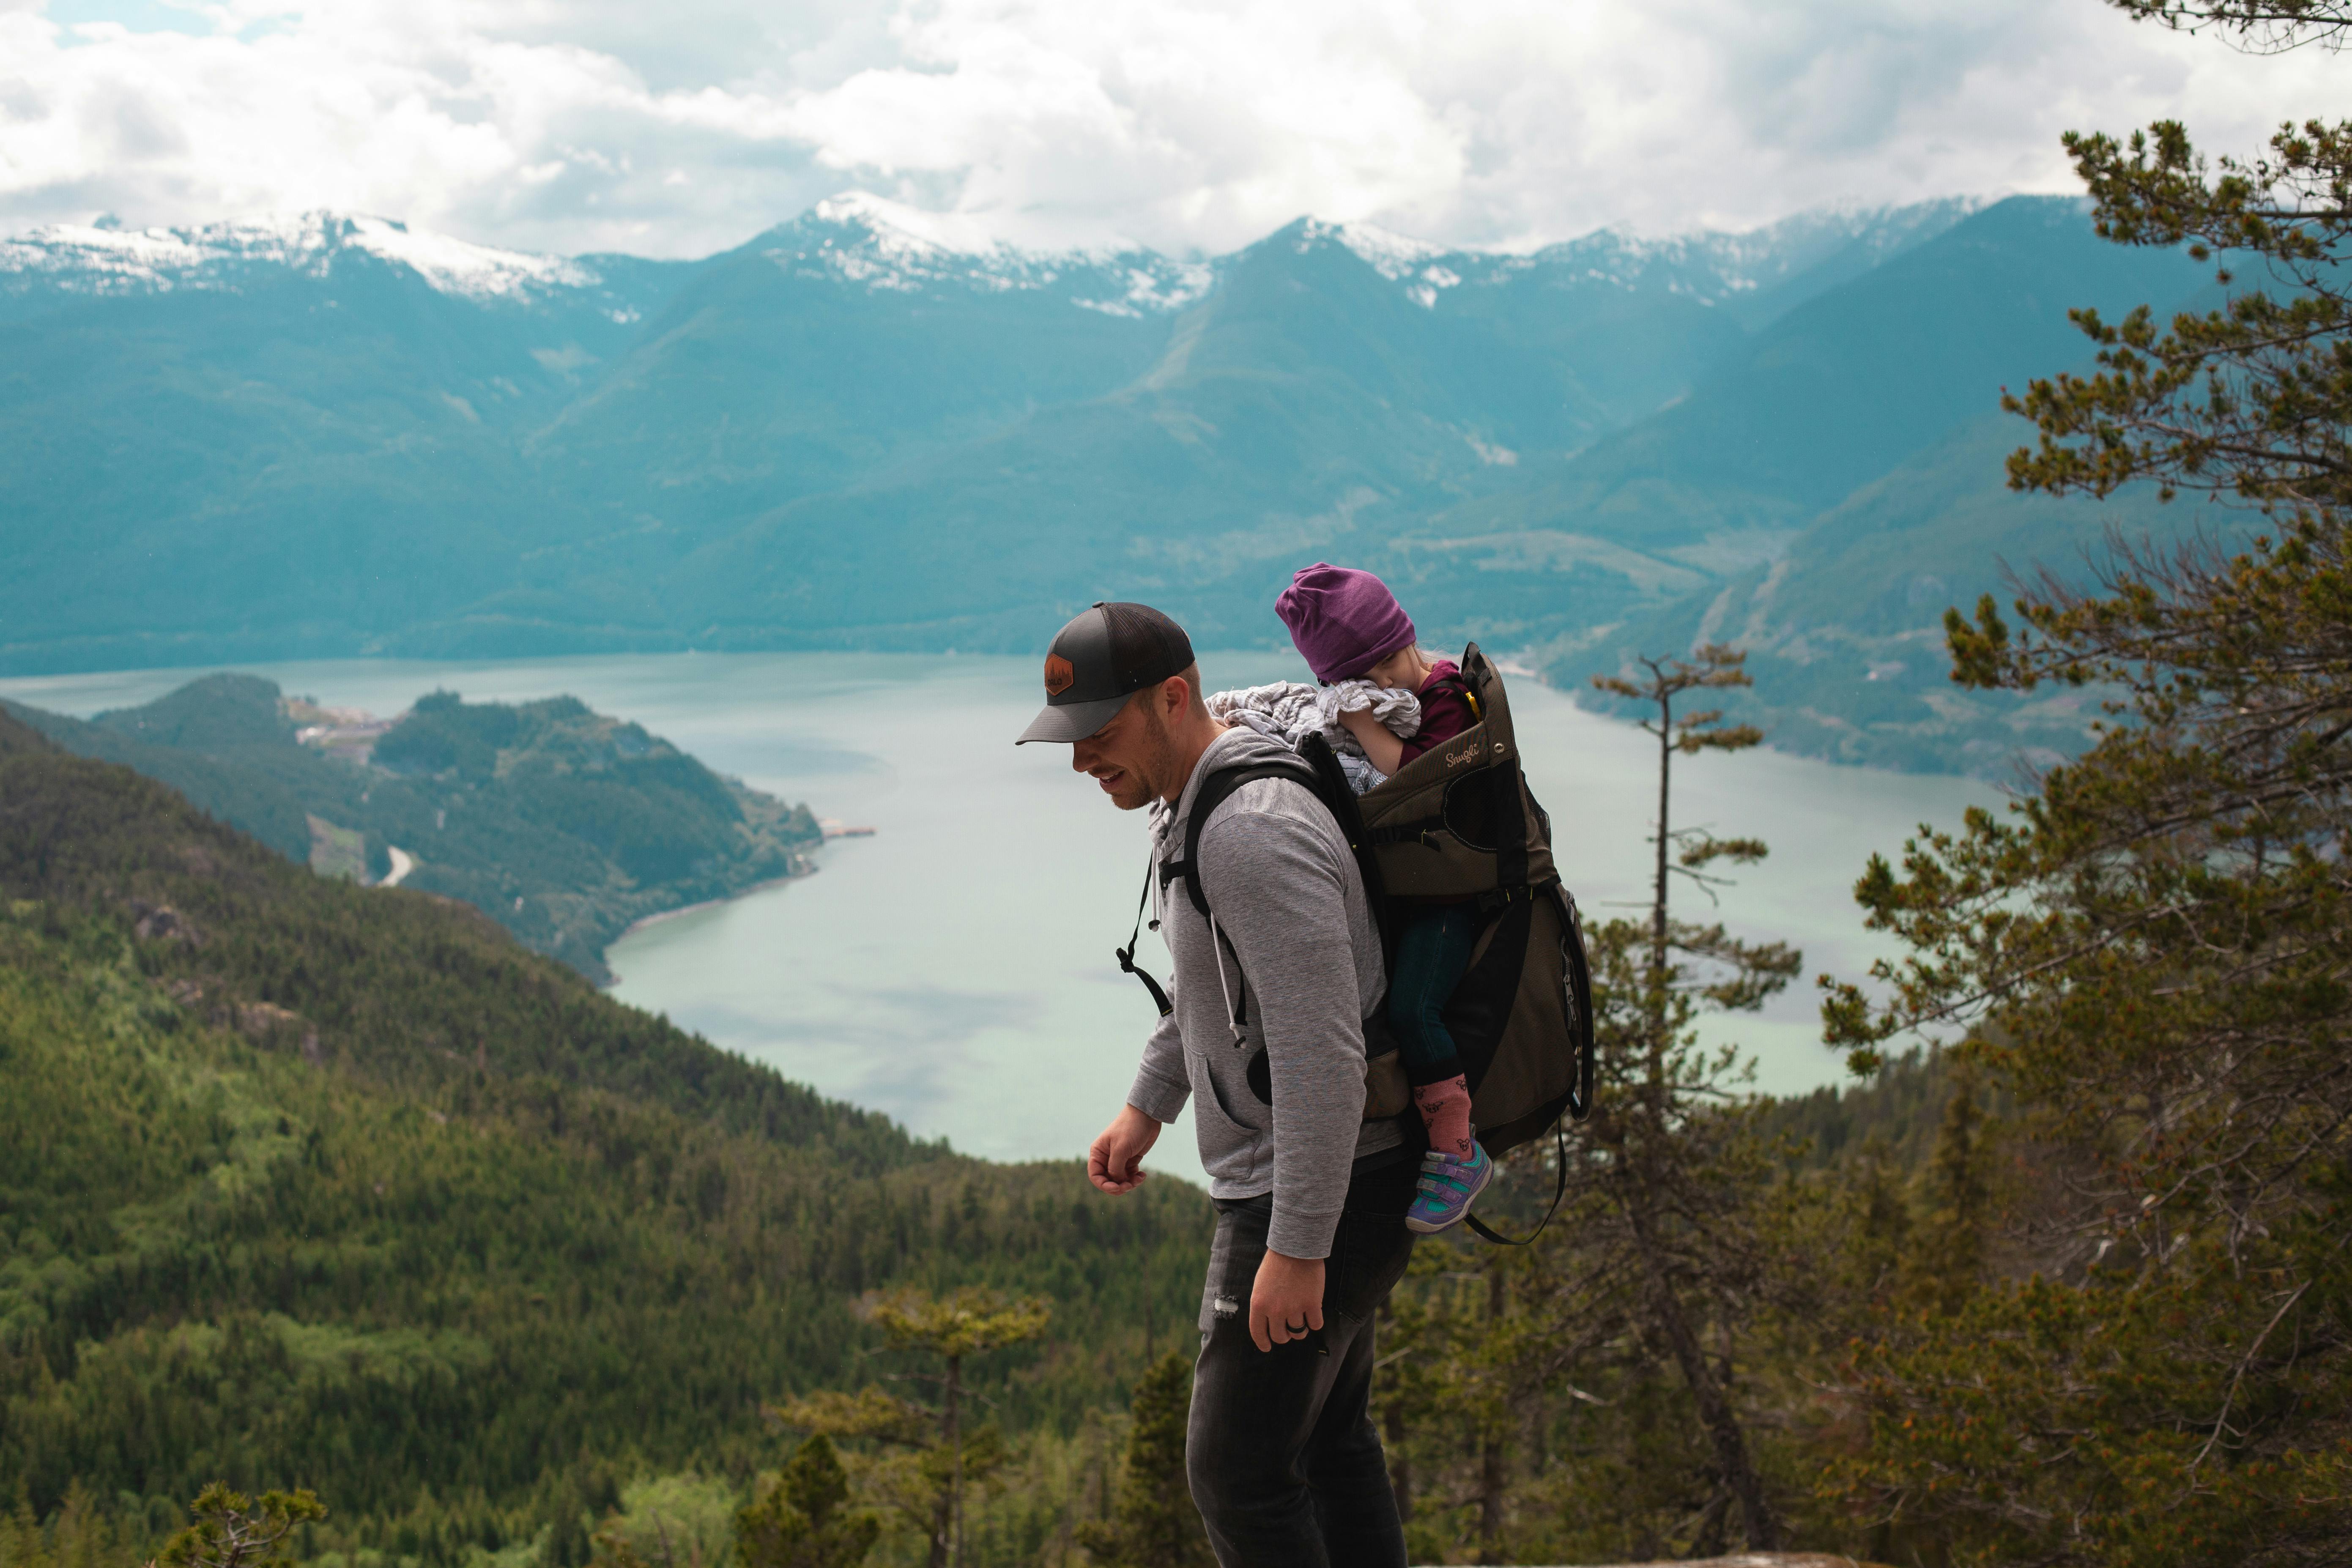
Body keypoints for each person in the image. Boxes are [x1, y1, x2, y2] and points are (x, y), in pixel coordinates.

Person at [1017, 599, 1416, 1568]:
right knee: (1324, 1442)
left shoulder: (1248, 829)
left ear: (1172, 697)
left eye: (1098, 734)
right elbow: (1217, 992)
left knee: (1235, 1471)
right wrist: (1148, 1103)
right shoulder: (1201, 797)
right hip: (1335, 1174)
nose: (1080, 762)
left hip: (1315, 1185)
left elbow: (1323, 1053)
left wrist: (1297, 1244)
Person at [1275, 563, 1490, 1234]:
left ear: (1384, 655)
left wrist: (1363, 722)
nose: (1358, 693)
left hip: (1454, 895)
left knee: (1414, 1008)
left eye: (1361, 681)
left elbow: (1411, 777)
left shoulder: (1450, 697)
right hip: (1428, 884)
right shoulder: (1429, 686)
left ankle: (1459, 1151)